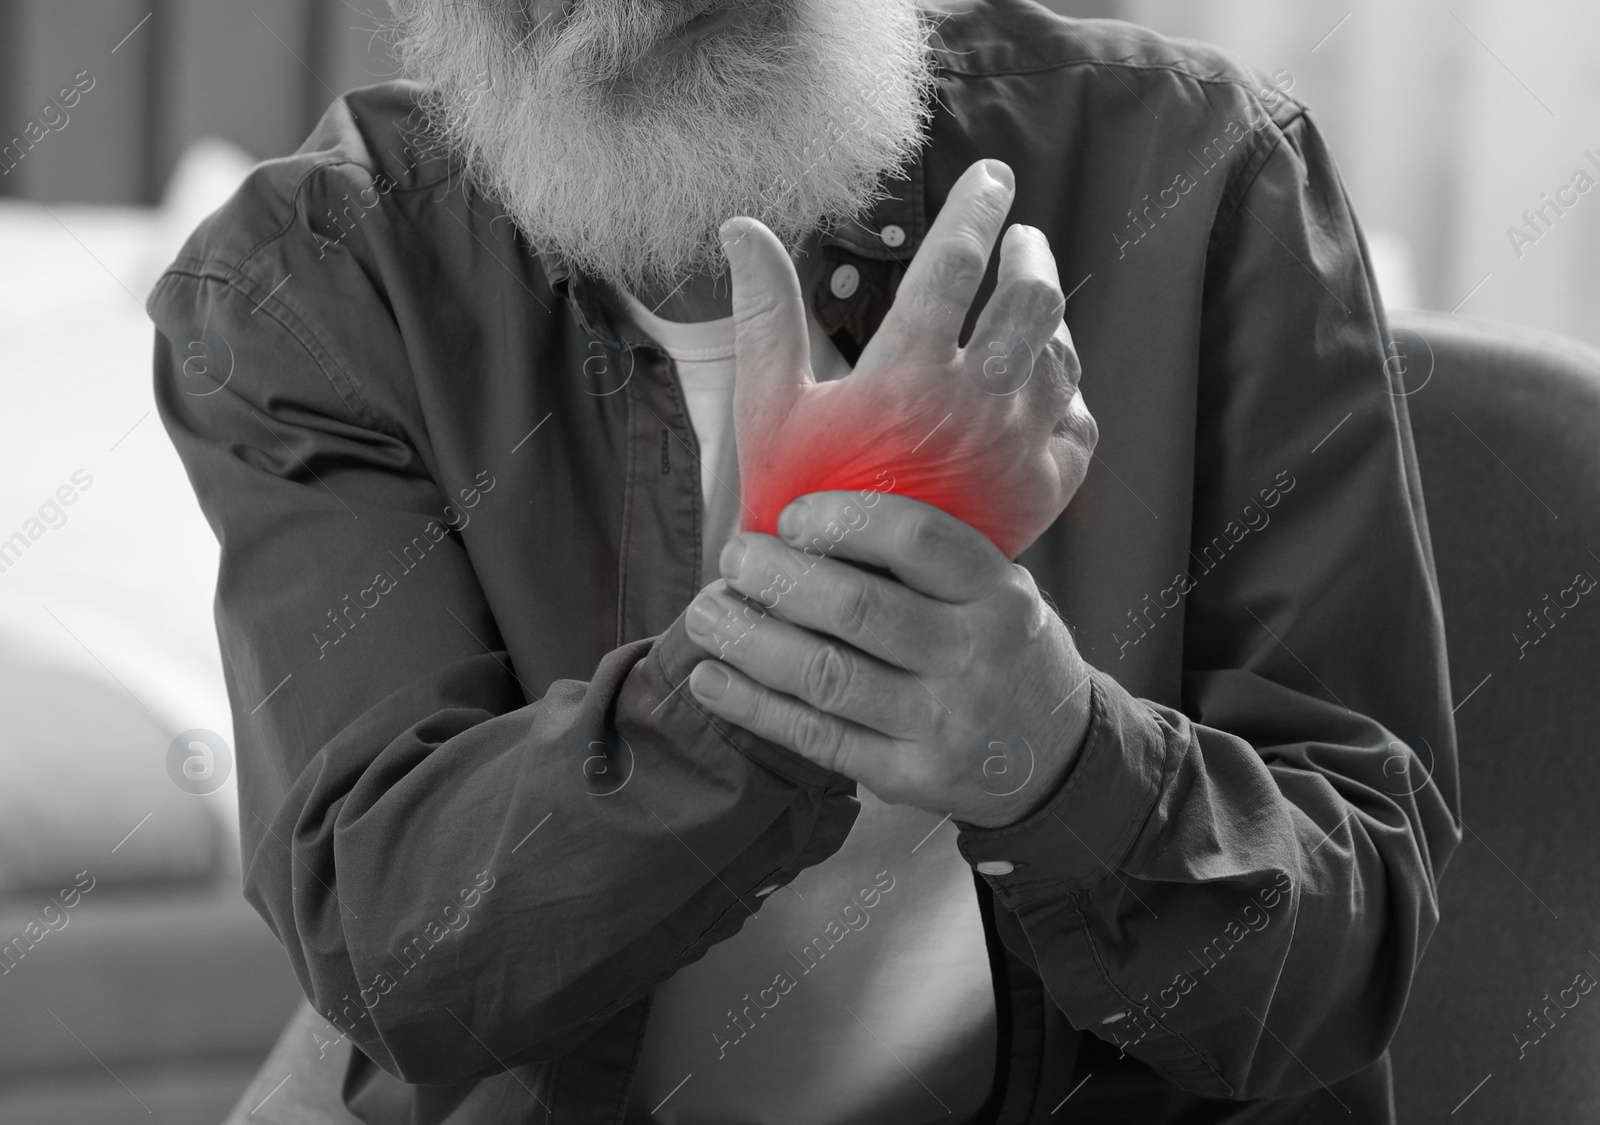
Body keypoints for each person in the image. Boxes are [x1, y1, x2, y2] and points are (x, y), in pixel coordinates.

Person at [148, 0, 1460, 1122]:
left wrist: (1054, 751)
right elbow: (395, 953)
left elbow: (1352, 958)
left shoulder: (1214, 172)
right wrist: (807, 629)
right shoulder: (302, 286)